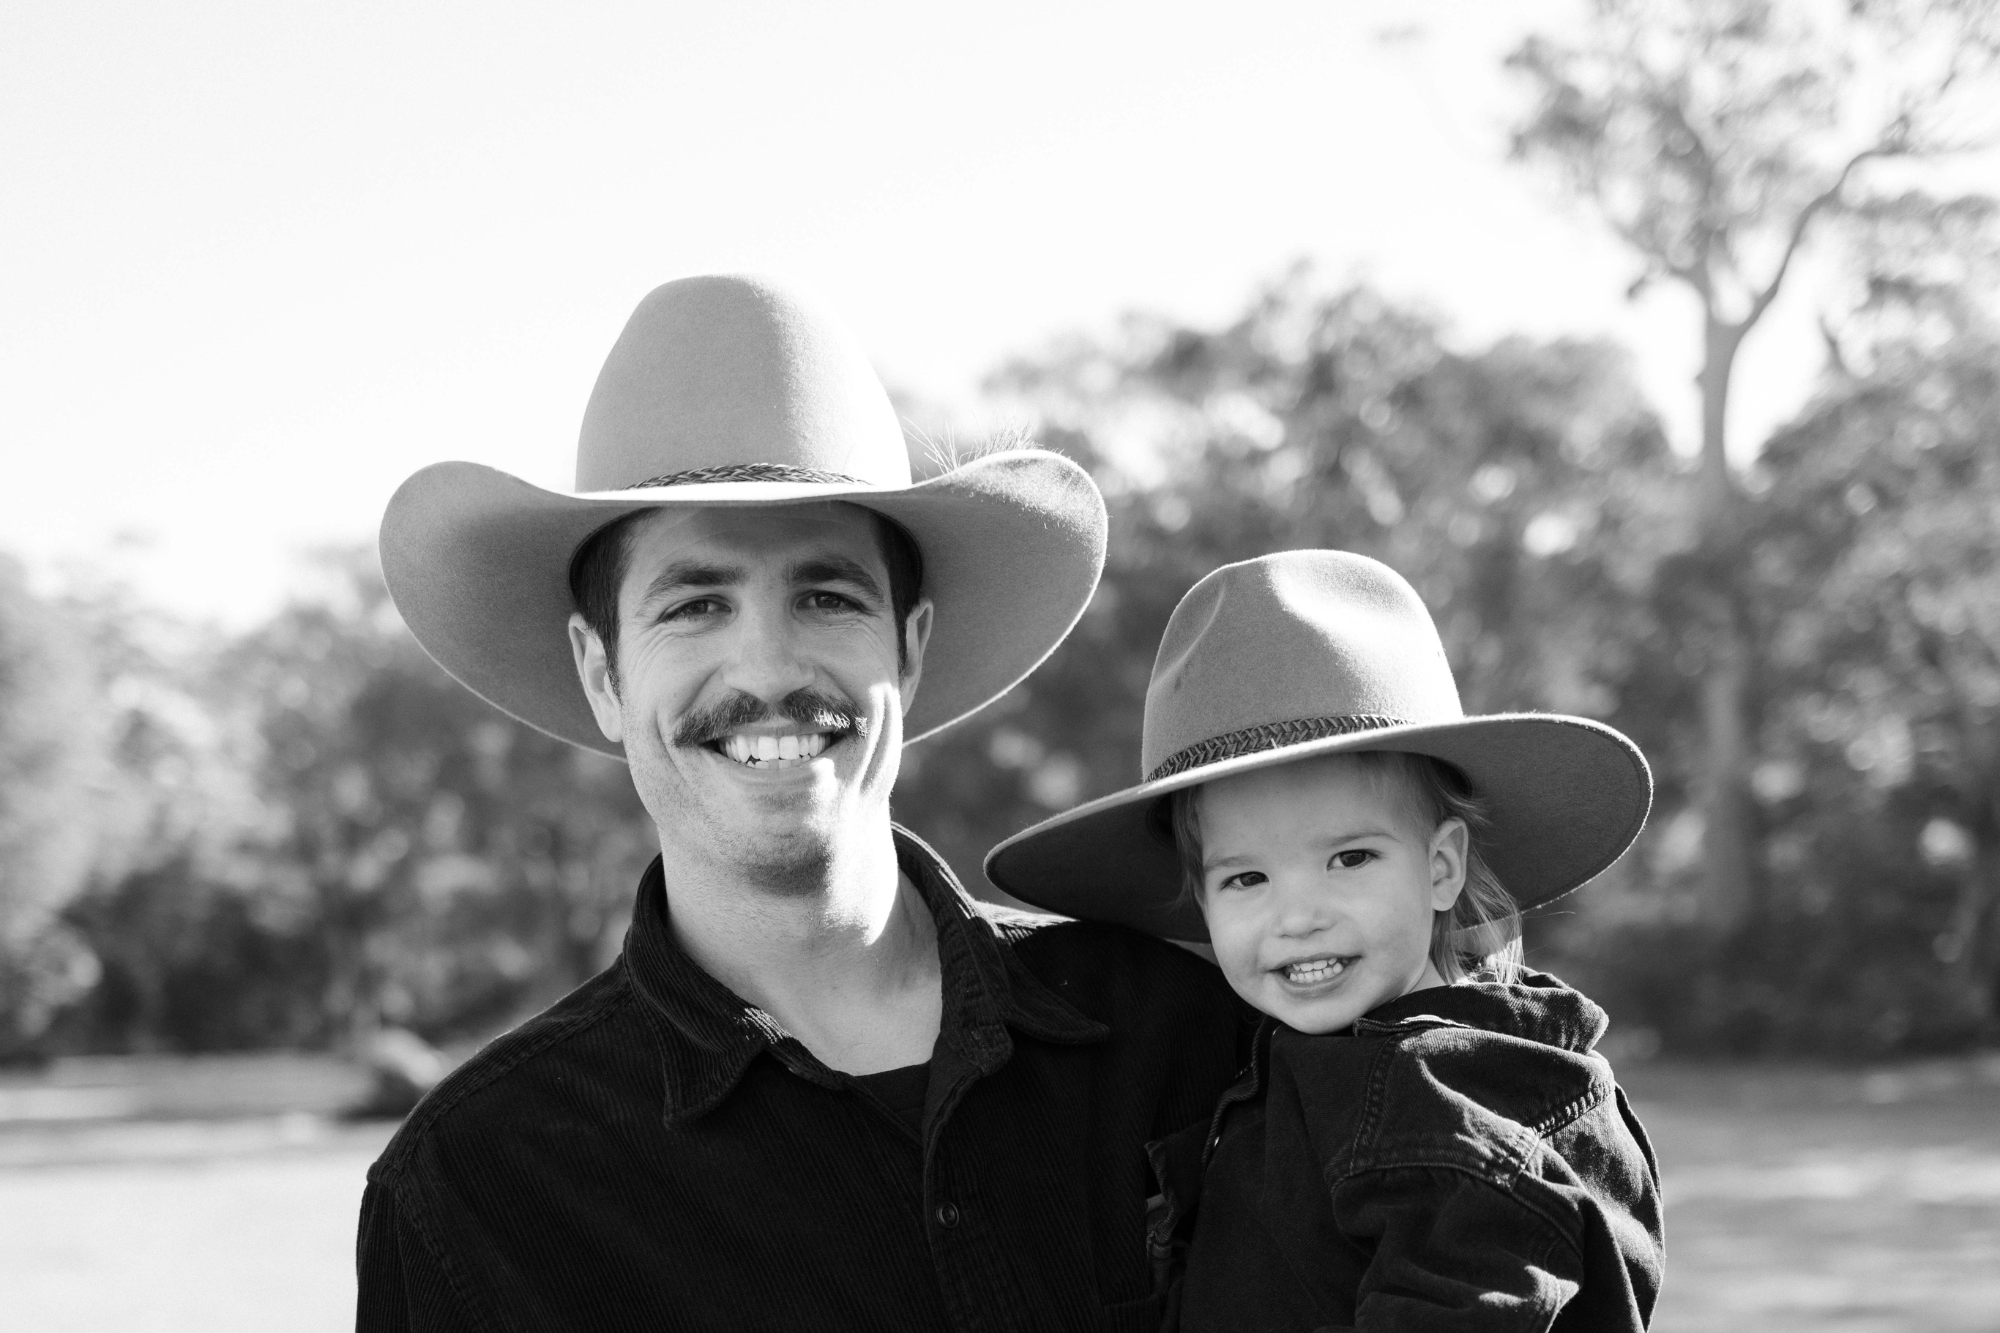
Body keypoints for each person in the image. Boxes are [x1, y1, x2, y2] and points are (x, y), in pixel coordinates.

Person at [357, 274, 1245, 1330]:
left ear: (907, 651)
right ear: (602, 674)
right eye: (696, 604)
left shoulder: (1181, 1038)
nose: (767, 667)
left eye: (825, 596)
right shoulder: (479, 1186)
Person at [986, 550, 1665, 1331]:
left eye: (1349, 858)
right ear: (1200, 899)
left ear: (1441, 867)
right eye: (1247, 879)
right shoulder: (1315, 1066)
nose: (1297, 915)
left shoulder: (1442, 1101)